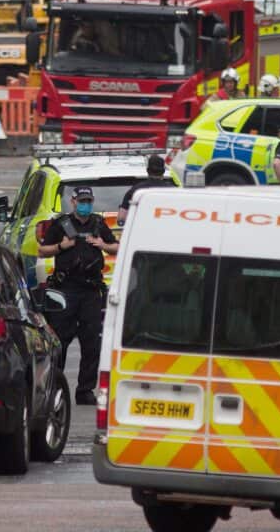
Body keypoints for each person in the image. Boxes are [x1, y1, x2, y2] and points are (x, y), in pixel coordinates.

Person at [37, 187, 119, 404]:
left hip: (90, 291)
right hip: (67, 290)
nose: (86, 204)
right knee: (60, 341)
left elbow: (116, 247)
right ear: (73, 202)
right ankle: (56, 386)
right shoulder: (61, 224)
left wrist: (103, 245)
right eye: (82, 200)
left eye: (89, 201)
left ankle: (85, 390)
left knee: (91, 343)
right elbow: (42, 251)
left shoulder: (98, 224)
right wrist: (61, 246)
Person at [118, 155, 174, 226]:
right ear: (163, 171)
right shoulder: (173, 191)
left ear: (147, 170)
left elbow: (121, 218)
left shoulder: (135, 190)